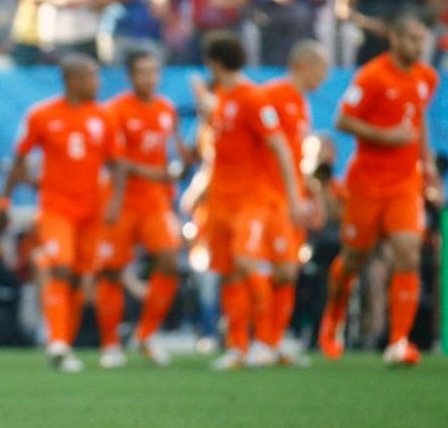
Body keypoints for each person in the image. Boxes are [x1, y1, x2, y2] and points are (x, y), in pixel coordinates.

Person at [317, 15, 439, 366]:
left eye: (422, 40)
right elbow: (342, 120)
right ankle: (333, 319)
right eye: (412, 39)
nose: (419, 47)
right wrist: (386, 137)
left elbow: (418, 120)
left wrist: (427, 165)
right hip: (367, 183)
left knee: (409, 253)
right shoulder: (371, 76)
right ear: (395, 39)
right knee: (354, 259)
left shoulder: (426, 78)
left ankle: (398, 342)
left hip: (405, 183)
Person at [1, 53, 123, 372]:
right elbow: (20, 158)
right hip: (56, 208)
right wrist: (5, 199)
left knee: (82, 277)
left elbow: (116, 163)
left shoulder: (104, 116)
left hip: (93, 211)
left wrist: (115, 201)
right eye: (91, 77)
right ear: (73, 80)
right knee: (61, 269)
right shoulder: (42, 115)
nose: (97, 83)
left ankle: (64, 344)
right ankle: (57, 341)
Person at [198, 31, 306, 370]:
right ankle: (238, 347)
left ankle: (267, 339)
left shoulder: (253, 98)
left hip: (252, 199)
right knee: (230, 273)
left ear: (214, 63)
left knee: (250, 265)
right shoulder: (222, 98)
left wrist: (293, 196)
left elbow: (279, 147)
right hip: (221, 199)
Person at [96, 48, 192, 368]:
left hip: (154, 201)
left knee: (169, 261)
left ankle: (145, 335)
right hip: (121, 200)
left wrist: (186, 159)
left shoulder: (166, 109)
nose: (148, 79)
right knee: (111, 270)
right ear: (129, 76)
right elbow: (116, 161)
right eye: (141, 72)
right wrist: (157, 172)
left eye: (153, 72)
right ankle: (110, 344)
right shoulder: (115, 111)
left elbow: (176, 153)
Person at [259, 40, 329, 363]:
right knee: (267, 269)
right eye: (322, 69)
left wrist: (307, 185)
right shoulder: (272, 95)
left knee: (288, 271)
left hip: (290, 195)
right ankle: (256, 340)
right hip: (268, 197)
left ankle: (273, 341)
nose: (325, 77)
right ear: (306, 65)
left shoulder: (301, 103)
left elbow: (294, 154)